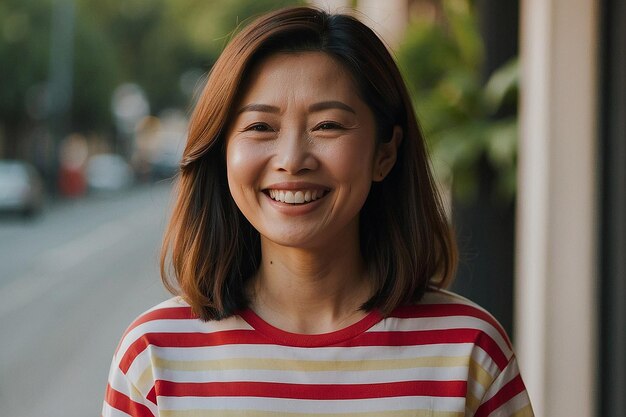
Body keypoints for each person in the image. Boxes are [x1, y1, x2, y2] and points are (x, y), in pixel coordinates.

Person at [102, 6, 534, 417]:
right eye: (260, 127)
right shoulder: (154, 357)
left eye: (327, 125)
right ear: (222, 152)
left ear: (386, 153)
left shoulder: (470, 351)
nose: (292, 159)